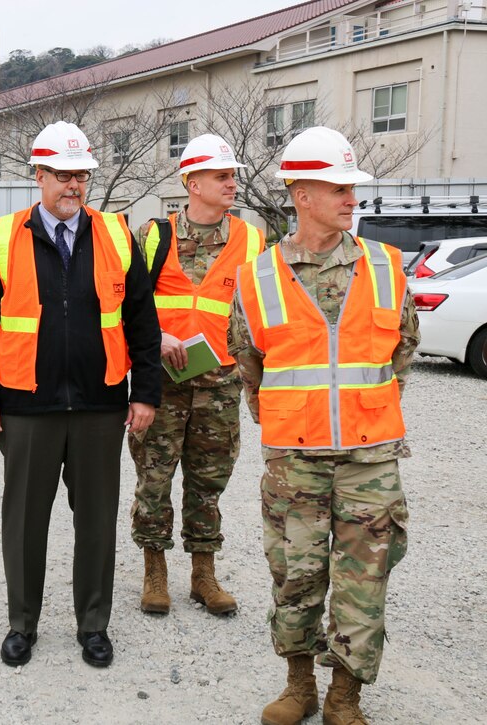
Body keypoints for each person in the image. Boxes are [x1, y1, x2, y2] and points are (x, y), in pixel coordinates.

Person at [228, 126, 417, 725]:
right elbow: (248, 362)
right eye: (338, 188)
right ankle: (299, 685)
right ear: (301, 194)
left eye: (352, 188)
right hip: (293, 460)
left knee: (363, 585)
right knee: (294, 577)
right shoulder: (259, 277)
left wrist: (365, 410)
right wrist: (288, 418)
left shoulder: (386, 266)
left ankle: (345, 696)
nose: (351, 199)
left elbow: (402, 351)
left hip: (370, 460)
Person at [0, 121, 162, 668]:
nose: (72, 185)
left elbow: (143, 323)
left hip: (101, 405)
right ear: (39, 175)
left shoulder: (117, 235)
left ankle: (93, 625)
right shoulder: (4, 236)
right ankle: (21, 625)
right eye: (62, 174)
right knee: (24, 522)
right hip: (27, 405)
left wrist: (144, 393)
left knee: (97, 521)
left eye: (80, 175)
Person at [128, 134, 264, 616]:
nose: (231, 184)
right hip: (160, 384)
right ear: (192, 182)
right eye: (222, 176)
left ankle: (203, 575)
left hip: (220, 384)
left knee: (209, 482)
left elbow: (260, 310)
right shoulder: (152, 236)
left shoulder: (251, 239)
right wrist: (155, 336)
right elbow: (128, 303)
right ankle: (154, 572)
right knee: (154, 478)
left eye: (232, 176)